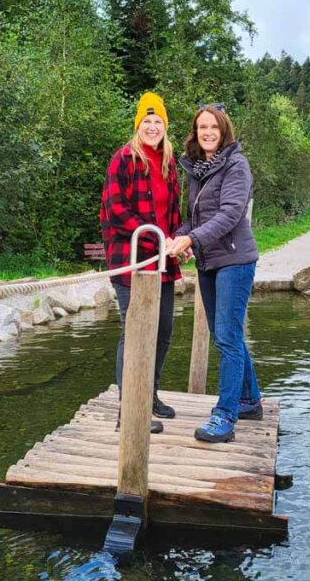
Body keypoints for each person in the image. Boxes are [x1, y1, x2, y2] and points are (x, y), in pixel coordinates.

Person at [167, 105, 262, 443]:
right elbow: (193, 218)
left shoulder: (237, 165)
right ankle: (250, 400)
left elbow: (230, 214)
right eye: (201, 127)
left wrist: (192, 239)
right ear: (195, 132)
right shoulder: (197, 169)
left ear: (224, 131)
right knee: (227, 334)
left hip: (235, 261)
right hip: (208, 262)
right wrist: (181, 234)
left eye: (213, 127)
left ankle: (225, 416)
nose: (207, 132)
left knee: (225, 336)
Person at [100, 92, 182, 434]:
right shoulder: (123, 159)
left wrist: (177, 240)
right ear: (138, 125)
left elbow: (173, 212)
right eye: (146, 122)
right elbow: (116, 212)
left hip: (162, 263)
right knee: (134, 333)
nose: (152, 127)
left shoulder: (168, 162)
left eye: (158, 122)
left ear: (165, 127)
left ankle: (148, 395)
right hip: (131, 261)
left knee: (163, 332)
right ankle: (128, 409)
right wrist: (157, 240)